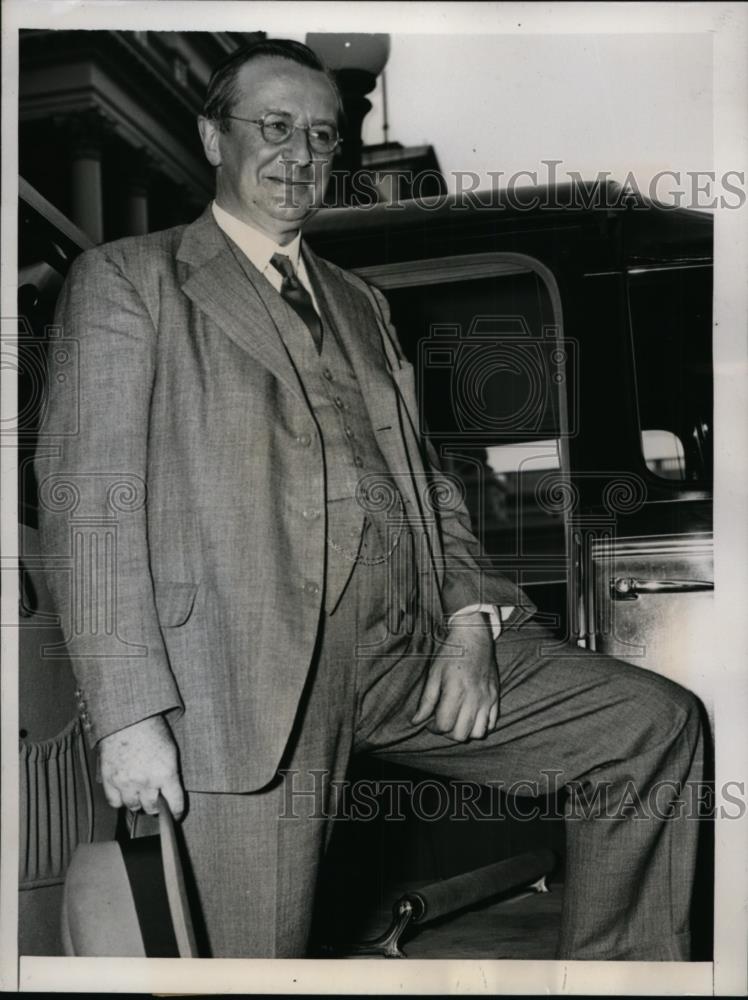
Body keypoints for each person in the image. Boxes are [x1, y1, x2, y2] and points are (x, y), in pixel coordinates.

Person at [36, 38, 704, 960]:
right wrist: (129, 716)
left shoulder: (361, 304)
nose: (300, 154)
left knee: (648, 727)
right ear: (212, 137)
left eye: (321, 135)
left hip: (404, 651)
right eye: (274, 126)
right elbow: (90, 508)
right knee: (249, 966)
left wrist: (469, 623)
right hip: (232, 679)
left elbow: (429, 484)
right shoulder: (129, 279)